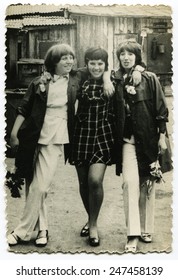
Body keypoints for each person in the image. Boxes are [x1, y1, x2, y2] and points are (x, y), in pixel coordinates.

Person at [7, 43, 80, 246]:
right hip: (32, 136)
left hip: (56, 137)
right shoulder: (40, 82)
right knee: (33, 185)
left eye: (71, 57)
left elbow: (101, 70)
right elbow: (24, 108)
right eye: (63, 58)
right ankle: (42, 230)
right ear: (53, 62)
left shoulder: (75, 79)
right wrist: (14, 134)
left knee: (41, 186)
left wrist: (138, 68)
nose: (69, 61)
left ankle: (21, 231)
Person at [70, 47, 143, 247]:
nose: (96, 66)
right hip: (81, 135)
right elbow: (66, 72)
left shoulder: (113, 78)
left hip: (103, 135)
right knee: (84, 184)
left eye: (100, 63)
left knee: (95, 181)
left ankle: (93, 225)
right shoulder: (79, 78)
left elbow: (135, 67)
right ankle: (90, 218)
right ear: (86, 63)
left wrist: (107, 78)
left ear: (106, 65)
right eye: (92, 63)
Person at [113, 39, 170, 253]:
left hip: (148, 139)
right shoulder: (114, 79)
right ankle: (132, 234)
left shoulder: (150, 79)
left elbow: (161, 110)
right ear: (118, 57)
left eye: (130, 54)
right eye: (122, 54)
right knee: (130, 183)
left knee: (147, 186)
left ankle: (147, 228)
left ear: (137, 57)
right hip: (127, 141)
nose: (126, 57)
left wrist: (162, 136)